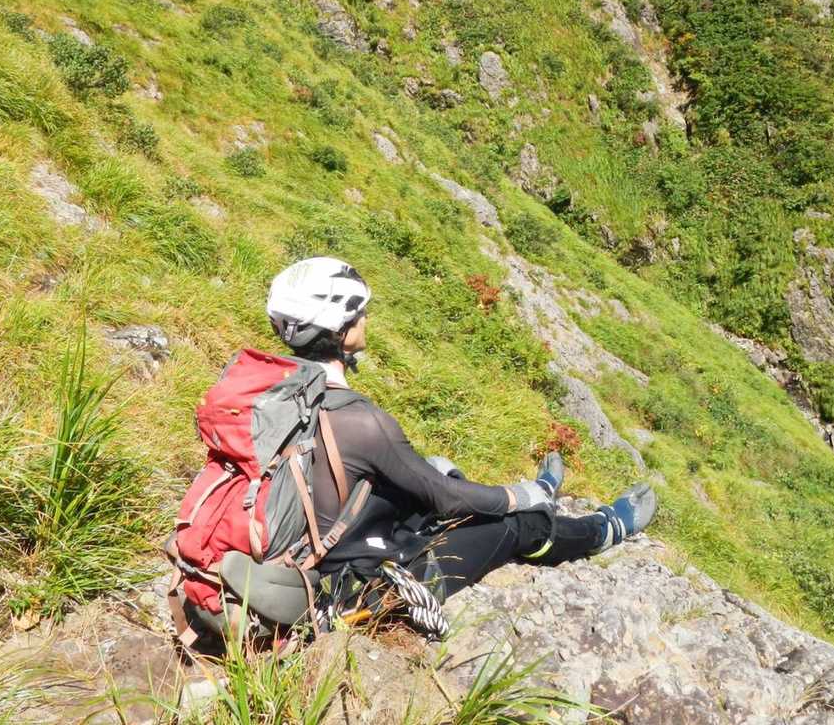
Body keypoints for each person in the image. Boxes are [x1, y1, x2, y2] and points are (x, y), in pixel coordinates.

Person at [264, 256, 657, 613]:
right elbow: (446, 498)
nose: (366, 318)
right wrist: (519, 496)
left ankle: (544, 495)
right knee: (518, 523)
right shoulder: (361, 421)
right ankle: (603, 529)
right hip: (356, 591)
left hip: (308, 552)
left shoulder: (269, 393)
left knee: (438, 470)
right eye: (359, 312)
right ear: (339, 329)